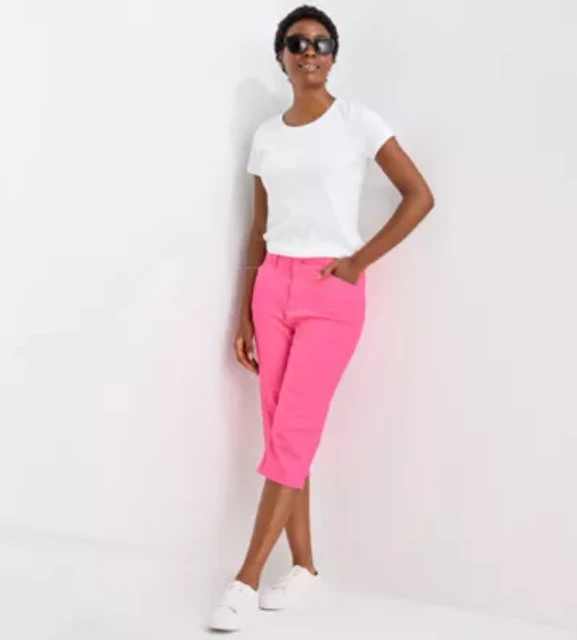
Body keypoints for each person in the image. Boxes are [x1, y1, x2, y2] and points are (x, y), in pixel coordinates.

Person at [209, 4, 435, 632]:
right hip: (271, 288)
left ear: (334, 55)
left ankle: (245, 579)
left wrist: (358, 262)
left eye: (322, 43)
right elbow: (258, 228)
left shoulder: (358, 122)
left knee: (293, 433)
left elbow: (419, 196)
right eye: (297, 43)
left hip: (329, 291)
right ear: (280, 56)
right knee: (285, 434)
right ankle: (305, 567)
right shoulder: (266, 136)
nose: (310, 52)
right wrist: (243, 313)